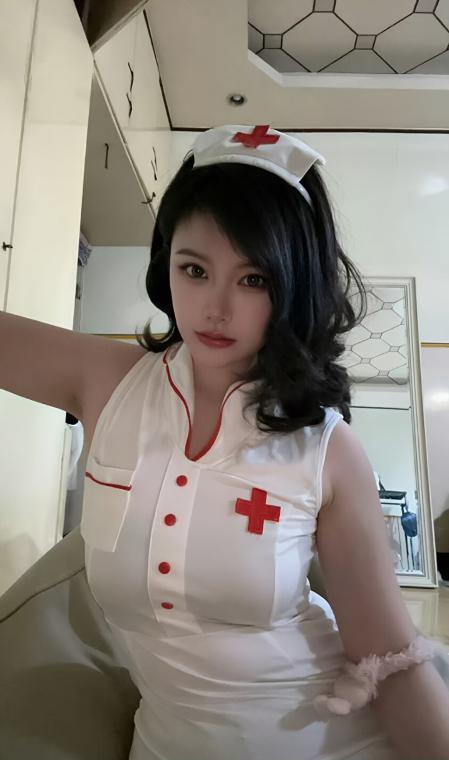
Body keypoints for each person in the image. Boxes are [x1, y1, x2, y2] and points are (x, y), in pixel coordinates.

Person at [5, 124, 449, 759]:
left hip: (329, 741)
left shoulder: (327, 450)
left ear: (294, 286)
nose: (215, 308)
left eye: (254, 280)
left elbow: (390, 659)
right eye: (194, 269)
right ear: (165, 266)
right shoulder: (108, 382)